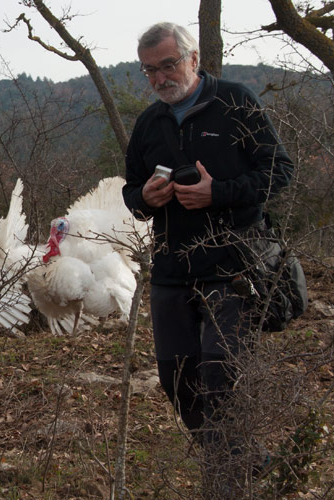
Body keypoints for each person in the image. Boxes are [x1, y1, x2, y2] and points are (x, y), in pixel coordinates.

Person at [121, 22, 294, 489]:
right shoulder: (148, 124)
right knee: (177, 382)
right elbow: (130, 190)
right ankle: (251, 460)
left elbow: (279, 169)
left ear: (193, 59)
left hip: (234, 267)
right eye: (149, 70)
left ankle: (228, 482)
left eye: (168, 65)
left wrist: (219, 193)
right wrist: (146, 200)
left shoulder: (235, 102)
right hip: (172, 270)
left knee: (221, 379)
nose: (159, 78)